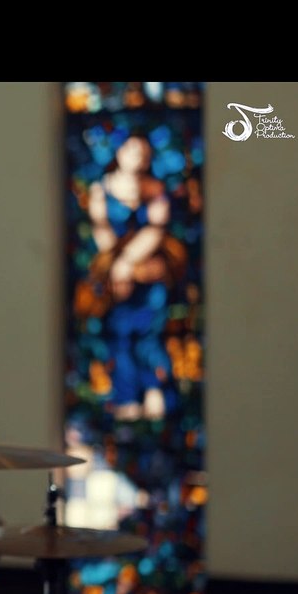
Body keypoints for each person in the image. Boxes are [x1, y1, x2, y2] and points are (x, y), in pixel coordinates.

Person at [83, 133, 186, 422]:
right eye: (131, 149)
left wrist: (128, 263)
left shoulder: (155, 189)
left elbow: (155, 230)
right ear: (119, 153)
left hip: (147, 275)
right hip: (115, 281)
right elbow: (101, 227)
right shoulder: (101, 188)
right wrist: (115, 265)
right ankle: (126, 398)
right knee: (118, 336)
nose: (136, 156)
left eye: (143, 152)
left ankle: (155, 392)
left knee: (149, 335)